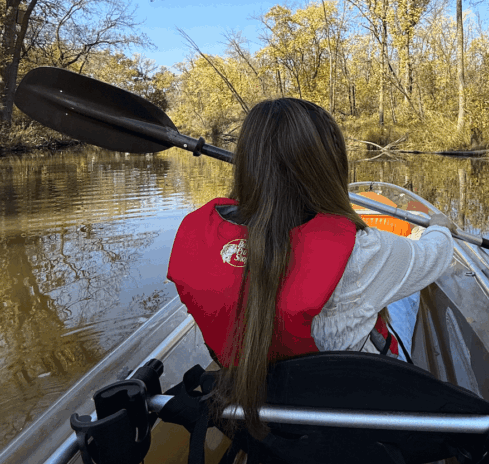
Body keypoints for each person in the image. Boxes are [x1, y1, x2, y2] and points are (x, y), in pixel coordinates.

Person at [167, 97, 458, 426]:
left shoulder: (197, 239)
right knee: (406, 292)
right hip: (354, 409)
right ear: (329, 165)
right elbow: (435, 257)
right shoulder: (362, 250)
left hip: (265, 413)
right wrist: (439, 228)